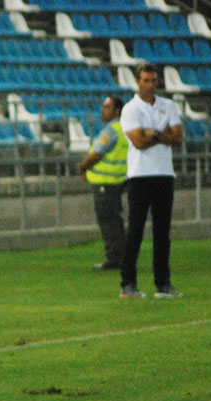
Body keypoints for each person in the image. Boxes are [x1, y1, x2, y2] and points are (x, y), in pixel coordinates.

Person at [118, 63, 184, 299]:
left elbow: (178, 138)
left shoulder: (168, 105)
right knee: (135, 229)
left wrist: (153, 133)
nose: (151, 85)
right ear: (138, 82)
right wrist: (161, 135)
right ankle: (127, 284)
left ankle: (163, 284)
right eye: (146, 80)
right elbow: (138, 142)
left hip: (164, 174)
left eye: (154, 81)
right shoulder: (130, 109)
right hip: (140, 174)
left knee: (162, 232)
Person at [78, 96, 128, 271]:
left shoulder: (111, 130)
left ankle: (114, 258)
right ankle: (123, 257)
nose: (102, 110)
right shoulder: (126, 128)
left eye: (107, 107)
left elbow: (97, 154)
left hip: (105, 182)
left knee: (107, 221)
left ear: (117, 111)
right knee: (115, 221)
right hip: (118, 180)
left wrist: (83, 166)